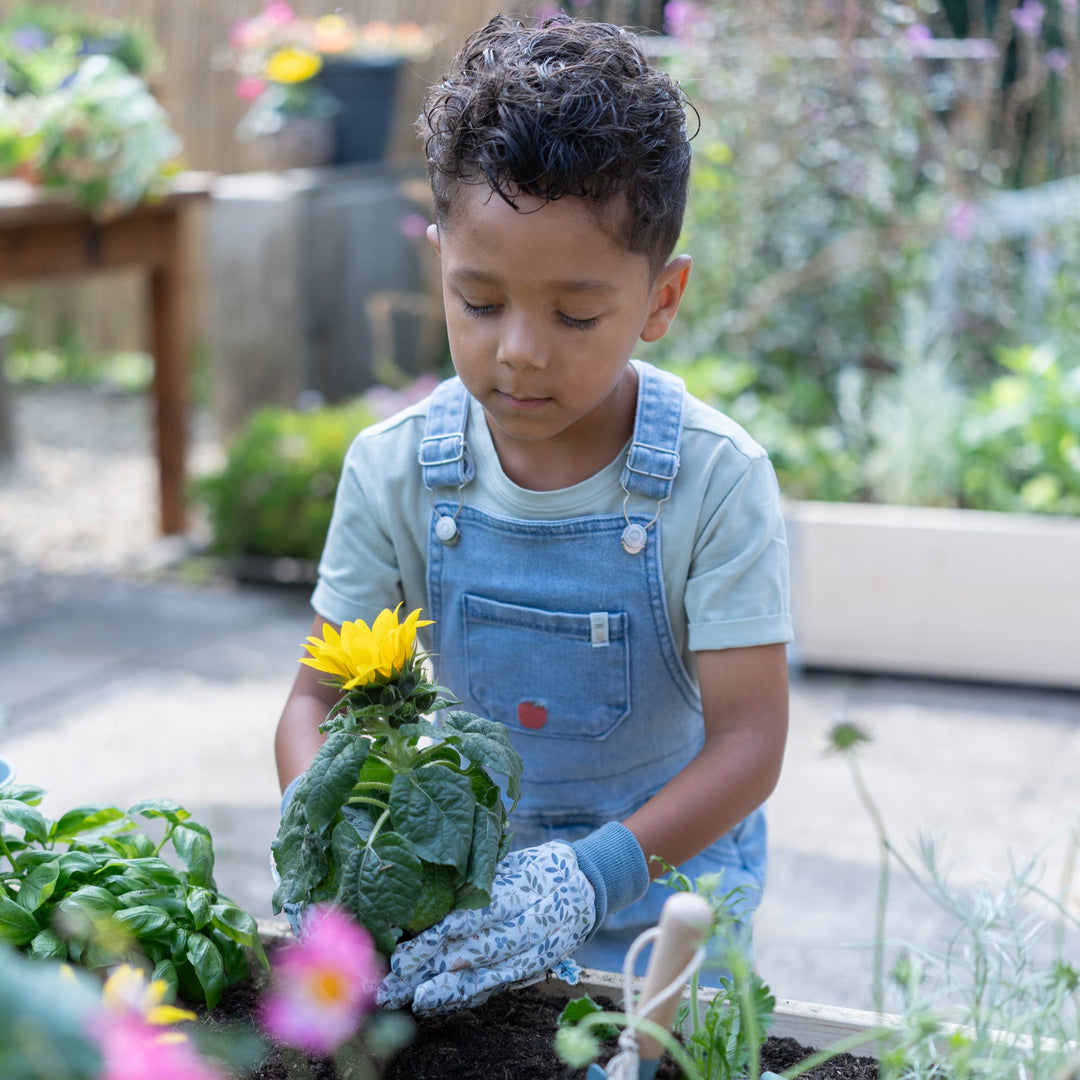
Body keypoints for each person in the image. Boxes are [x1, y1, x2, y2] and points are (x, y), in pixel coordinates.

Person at [274, 13, 792, 1014]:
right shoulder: (396, 470)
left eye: (574, 315)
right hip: (470, 905)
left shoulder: (714, 479)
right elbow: (313, 706)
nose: (519, 350)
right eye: (479, 301)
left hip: (671, 899)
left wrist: (586, 878)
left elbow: (749, 746)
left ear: (661, 300)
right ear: (439, 265)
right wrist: (327, 849)